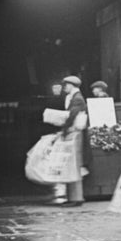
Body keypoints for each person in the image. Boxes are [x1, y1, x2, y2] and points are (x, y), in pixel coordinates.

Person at [53, 75, 91, 207]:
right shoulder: (73, 98)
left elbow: (71, 115)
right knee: (71, 164)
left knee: (74, 164)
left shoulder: (77, 99)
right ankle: (73, 197)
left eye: (67, 85)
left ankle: (76, 197)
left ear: (72, 86)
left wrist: (63, 127)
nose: (65, 88)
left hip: (75, 133)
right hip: (73, 132)